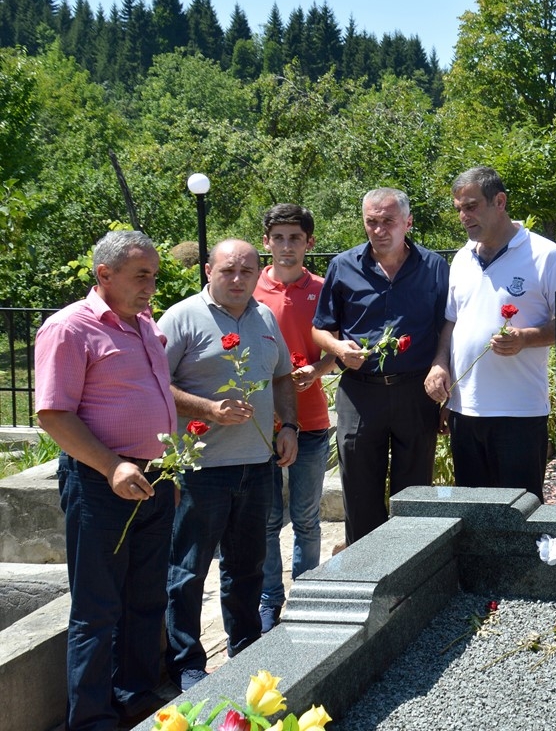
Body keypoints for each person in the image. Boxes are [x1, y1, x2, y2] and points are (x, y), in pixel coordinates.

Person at [34, 231, 176, 730]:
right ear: (104, 274)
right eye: (142, 276)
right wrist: (112, 465)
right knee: (97, 607)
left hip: (155, 479)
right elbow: (53, 414)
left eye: (154, 276)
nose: (151, 286)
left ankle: (135, 696)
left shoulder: (144, 324)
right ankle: (92, 718)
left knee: (147, 597)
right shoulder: (70, 328)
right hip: (101, 482)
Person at [159, 239, 299, 691]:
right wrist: (208, 409)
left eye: (247, 271)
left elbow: (281, 376)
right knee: (188, 571)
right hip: (201, 469)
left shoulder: (264, 317)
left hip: (256, 465)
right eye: (228, 271)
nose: (238, 279)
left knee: (247, 566)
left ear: (258, 273)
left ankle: (244, 648)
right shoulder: (181, 317)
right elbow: (154, 384)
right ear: (208, 271)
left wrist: (289, 425)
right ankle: (186, 663)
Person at [424, 166, 556, 498]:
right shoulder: (461, 258)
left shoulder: (546, 256)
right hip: (465, 411)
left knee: (518, 515)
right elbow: (451, 321)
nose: (464, 216)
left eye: (471, 206)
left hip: (520, 413)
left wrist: (526, 338)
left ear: (500, 202)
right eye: (459, 209)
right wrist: (440, 364)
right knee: (473, 514)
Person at [312, 188, 449, 545]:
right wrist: (337, 348)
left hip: (415, 391)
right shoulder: (343, 266)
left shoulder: (434, 267)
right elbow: (320, 328)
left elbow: (446, 328)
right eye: (371, 222)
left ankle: (411, 565)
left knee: (414, 495)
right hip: (360, 392)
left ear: (408, 222)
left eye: (388, 221)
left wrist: (442, 374)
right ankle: (365, 567)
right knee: (359, 493)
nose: (379, 230)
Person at [254, 203, 337, 633]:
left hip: (311, 419)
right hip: (258, 425)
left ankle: (306, 594)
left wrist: (317, 370)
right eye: (279, 238)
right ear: (266, 242)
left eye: (295, 238)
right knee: (267, 520)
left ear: (309, 243)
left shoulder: (323, 289)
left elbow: (337, 349)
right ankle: (270, 598)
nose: (286, 246)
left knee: (306, 518)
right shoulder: (248, 287)